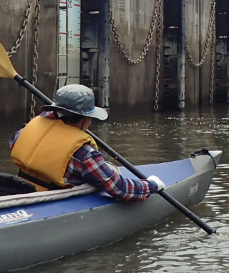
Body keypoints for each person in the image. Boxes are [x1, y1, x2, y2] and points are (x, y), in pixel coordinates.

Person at [9, 84, 164, 201]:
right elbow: (121, 189)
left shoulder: (24, 132)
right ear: (86, 119)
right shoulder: (85, 154)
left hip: (23, 191)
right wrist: (151, 185)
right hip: (51, 200)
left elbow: (15, 143)